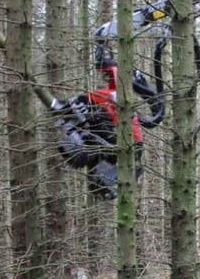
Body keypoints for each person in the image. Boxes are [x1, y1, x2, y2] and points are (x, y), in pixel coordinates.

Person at [53, 37, 144, 199]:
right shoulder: (113, 100)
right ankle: (100, 181)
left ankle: (102, 180)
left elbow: (86, 98)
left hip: (125, 142)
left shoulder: (113, 96)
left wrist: (60, 105)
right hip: (122, 144)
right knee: (96, 148)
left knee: (91, 123)